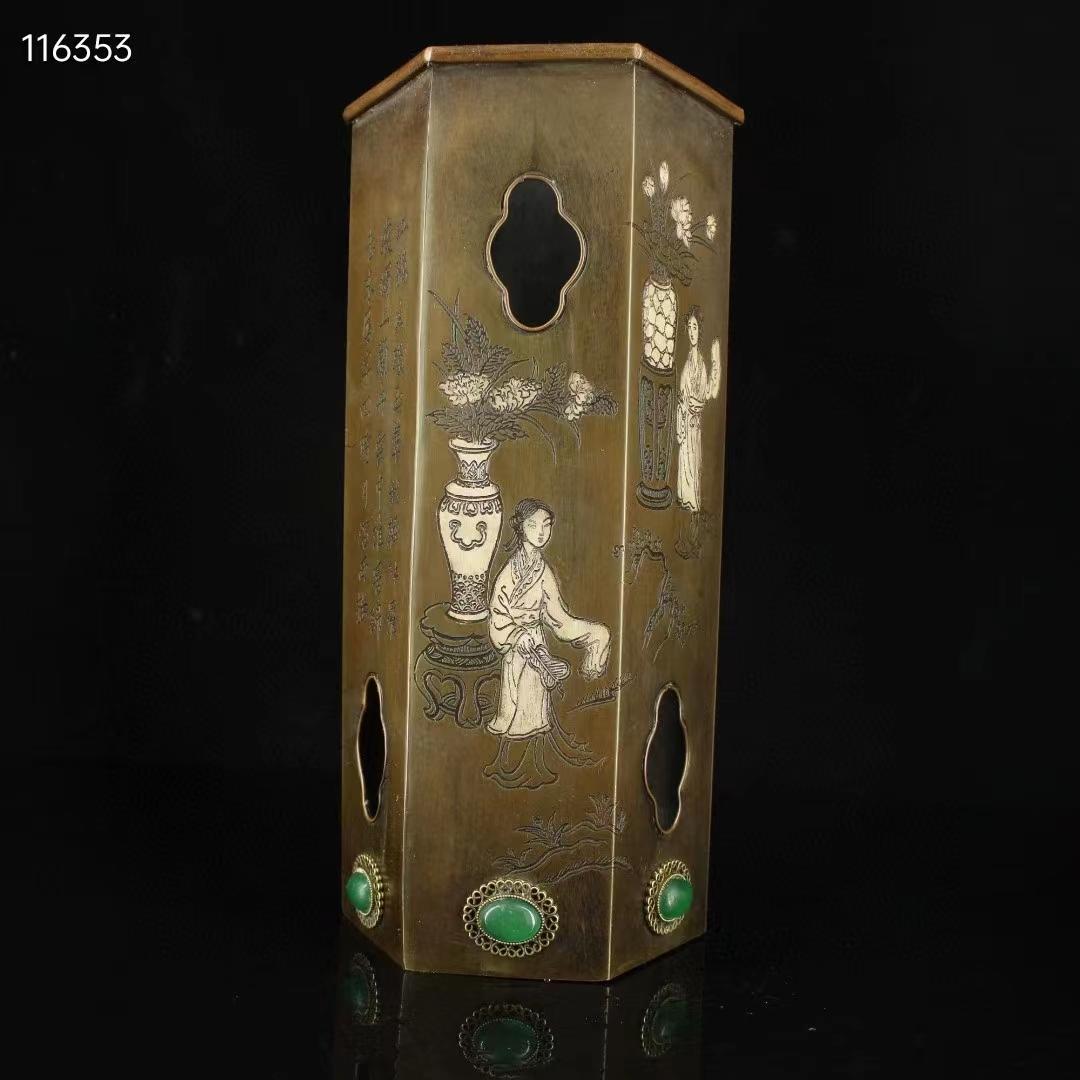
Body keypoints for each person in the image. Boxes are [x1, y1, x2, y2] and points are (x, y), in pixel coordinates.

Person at [484, 498, 610, 788]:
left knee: (533, 707)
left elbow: (559, 619)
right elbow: (497, 614)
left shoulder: (543, 572)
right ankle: (505, 766)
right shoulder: (509, 571)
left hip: (537, 646)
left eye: (546, 525)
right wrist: (516, 635)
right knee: (514, 707)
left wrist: (594, 633)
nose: (541, 532)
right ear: (521, 528)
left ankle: (532, 768)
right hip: (517, 647)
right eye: (533, 525)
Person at [675, 307, 722, 513]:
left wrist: (716, 358)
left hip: (693, 422)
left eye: (695, 327)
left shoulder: (700, 363)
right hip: (686, 420)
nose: (692, 332)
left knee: (693, 462)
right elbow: (683, 392)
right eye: (689, 327)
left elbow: (705, 393)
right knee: (685, 461)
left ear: (699, 331)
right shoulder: (689, 359)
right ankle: (685, 501)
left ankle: (692, 504)